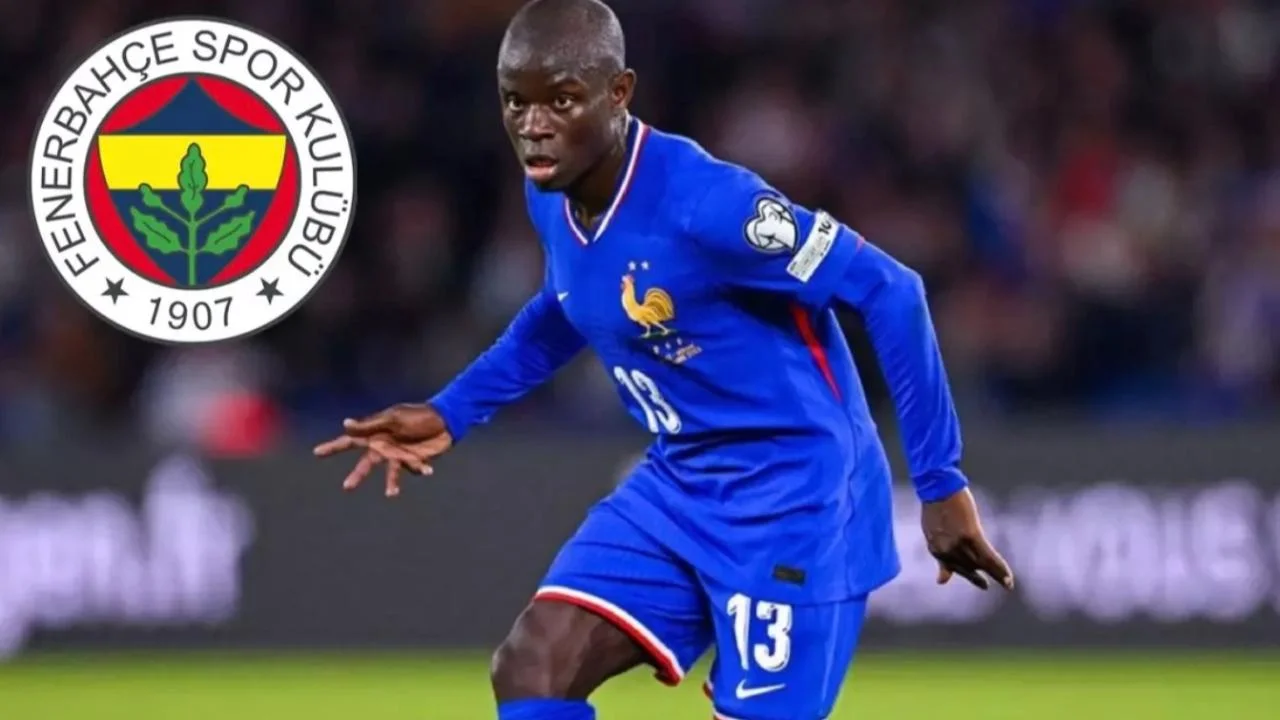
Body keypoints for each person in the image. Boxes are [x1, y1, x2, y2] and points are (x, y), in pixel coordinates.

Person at [314, 1, 1014, 718]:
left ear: (619, 92)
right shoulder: (550, 192)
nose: (533, 125)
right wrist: (451, 411)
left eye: (562, 100)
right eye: (515, 101)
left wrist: (939, 482)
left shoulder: (712, 205)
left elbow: (891, 290)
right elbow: (567, 307)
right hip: (679, 483)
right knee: (533, 666)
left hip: (793, 497)